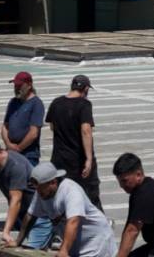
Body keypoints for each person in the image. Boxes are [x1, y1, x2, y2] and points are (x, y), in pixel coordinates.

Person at [15, 162, 118, 257]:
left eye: (40, 188)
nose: (38, 192)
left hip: (96, 241)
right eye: (36, 188)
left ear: (53, 182)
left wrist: (64, 251)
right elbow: (30, 216)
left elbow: (73, 222)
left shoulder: (71, 190)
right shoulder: (41, 193)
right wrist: (17, 242)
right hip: (76, 245)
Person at [46, 74, 103, 211]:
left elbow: (52, 126)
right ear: (86, 89)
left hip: (59, 160)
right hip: (78, 162)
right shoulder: (84, 105)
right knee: (90, 197)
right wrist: (89, 159)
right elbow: (86, 130)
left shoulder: (56, 102)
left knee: (63, 196)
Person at [2, 71, 45, 165]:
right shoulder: (13, 102)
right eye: (15, 86)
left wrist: (19, 148)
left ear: (29, 85)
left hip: (28, 155)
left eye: (19, 86)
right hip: (11, 152)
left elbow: (33, 133)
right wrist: (8, 144)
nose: (16, 88)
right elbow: (5, 126)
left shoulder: (36, 104)